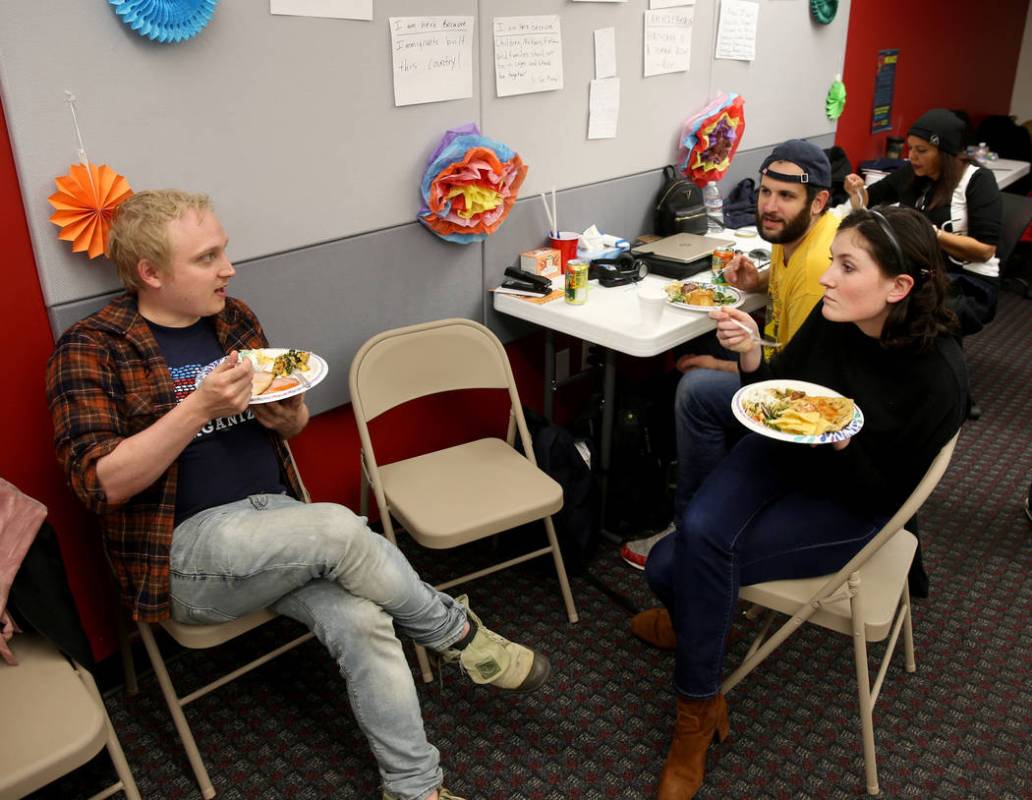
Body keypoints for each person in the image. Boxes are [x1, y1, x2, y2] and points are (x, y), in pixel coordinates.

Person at [45, 190, 551, 800]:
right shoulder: (91, 347)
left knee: (364, 617)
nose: (228, 269)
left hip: (281, 525)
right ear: (151, 274)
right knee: (339, 528)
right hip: (188, 557)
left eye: (223, 251)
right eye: (207, 258)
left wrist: (289, 418)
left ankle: (415, 789)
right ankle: (454, 634)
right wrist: (199, 405)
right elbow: (101, 484)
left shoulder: (233, 320)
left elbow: (292, 426)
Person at [634, 206, 967, 800]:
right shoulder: (837, 316)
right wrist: (750, 354)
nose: (825, 278)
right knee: (698, 540)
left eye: (846, 266)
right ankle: (706, 668)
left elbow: (889, 497)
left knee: (670, 565)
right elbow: (779, 388)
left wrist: (841, 445)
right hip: (785, 453)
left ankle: (693, 720)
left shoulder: (936, 376)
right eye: (831, 261)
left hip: (855, 502)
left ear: (899, 286)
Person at [621, 140, 839, 569]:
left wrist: (720, 366)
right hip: (783, 360)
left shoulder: (818, 265)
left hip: (809, 400)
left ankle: (689, 530)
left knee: (696, 389)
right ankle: (715, 502)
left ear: (819, 202)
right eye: (764, 192)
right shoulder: (791, 233)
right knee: (700, 351)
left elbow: (790, 376)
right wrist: (755, 284)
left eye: (786, 196)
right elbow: (782, 292)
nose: (769, 206)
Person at [844, 108, 1003, 338]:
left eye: (922, 150)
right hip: (924, 273)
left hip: (969, 282)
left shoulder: (978, 181)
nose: (913, 157)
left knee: (906, 310)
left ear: (945, 153)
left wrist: (933, 234)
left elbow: (986, 251)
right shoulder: (912, 172)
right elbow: (868, 200)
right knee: (863, 293)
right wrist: (856, 191)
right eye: (911, 149)